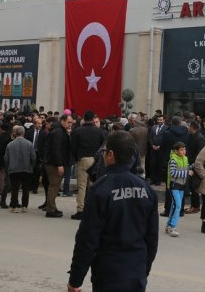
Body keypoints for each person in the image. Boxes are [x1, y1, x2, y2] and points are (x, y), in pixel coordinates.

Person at [67, 130, 158, 291]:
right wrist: (144, 270)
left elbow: (87, 239)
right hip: (136, 273)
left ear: (110, 154)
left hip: (109, 274)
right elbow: (152, 238)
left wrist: (75, 280)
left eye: (104, 152)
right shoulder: (146, 189)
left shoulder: (101, 189)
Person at [70, 111, 104, 220]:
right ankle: (93, 209)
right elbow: (103, 146)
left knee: (82, 186)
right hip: (95, 159)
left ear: (84, 118)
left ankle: (81, 209)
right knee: (93, 186)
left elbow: (73, 147)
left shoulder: (77, 131)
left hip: (83, 158)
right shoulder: (100, 132)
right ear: (93, 119)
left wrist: (77, 158)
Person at [45, 114, 72, 218]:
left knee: (54, 187)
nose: (70, 125)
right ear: (62, 121)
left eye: (71, 123)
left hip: (55, 163)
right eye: (69, 122)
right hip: (54, 164)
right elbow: (56, 150)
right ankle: (50, 210)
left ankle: (53, 207)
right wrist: (59, 164)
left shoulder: (60, 131)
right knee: (54, 187)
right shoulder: (58, 132)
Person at [5, 125, 37, 213]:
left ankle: (14, 206)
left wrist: (8, 168)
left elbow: (6, 158)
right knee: (26, 189)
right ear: (23, 133)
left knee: (14, 188)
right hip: (26, 169)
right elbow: (33, 157)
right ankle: (24, 206)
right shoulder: (29, 144)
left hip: (14, 169)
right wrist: (31, 167)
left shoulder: (10, 144)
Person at [165, 142, 191, 237]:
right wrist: (187, 173)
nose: (184, 151)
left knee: (174, 206)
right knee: (178, 206)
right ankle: (172, 227)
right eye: (181, 149)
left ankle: (168, 225)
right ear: (176, 151)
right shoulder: (173, 160)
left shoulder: (185, 158)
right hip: (174, 186)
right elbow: (173, 173)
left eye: (184, 149)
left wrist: (191, 167)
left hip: (182, 186)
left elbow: (186, 168)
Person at [184, 121, 205, 214]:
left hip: (195, 166)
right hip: (191, 163)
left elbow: (199, 154)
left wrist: (192, 165)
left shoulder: (199, 138)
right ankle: (194, 205)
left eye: (189, 126)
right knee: (192, 186)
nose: (188, 128)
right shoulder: (192, 136)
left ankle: (195, 206)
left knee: (194, 186)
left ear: (192, 127)